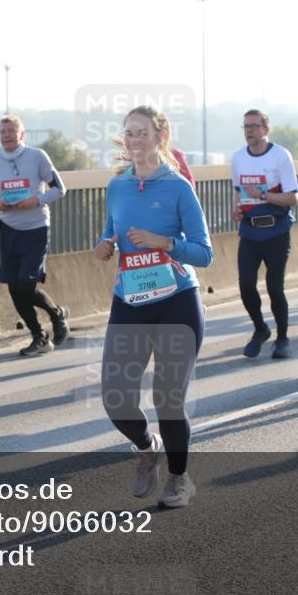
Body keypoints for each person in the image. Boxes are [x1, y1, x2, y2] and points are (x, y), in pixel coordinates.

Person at [95, 105, 213, 508]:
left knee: (168, 398)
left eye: (141, 132)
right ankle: (147, 447)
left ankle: (179, 479)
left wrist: (164, 243)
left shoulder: (178, 187)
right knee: (115, 396)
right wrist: (105, 245)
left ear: (160, 137)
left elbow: (204, 253)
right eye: (128, 133)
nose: (133, 140)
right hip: (131, 298)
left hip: (177, 300)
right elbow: (110, 230)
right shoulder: (116, 186)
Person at [0, 115, 70, 357]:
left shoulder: (37, 156)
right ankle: (39, 336)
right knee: (13, 289)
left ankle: (56, 314)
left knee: (26, 286)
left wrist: (36, 200)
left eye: (11, 131)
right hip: (9, 229)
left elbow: (60, 189)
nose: (6, 135)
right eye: (2, 131)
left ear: (22, 134)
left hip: (36, 228)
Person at [230, 109, 298, 359]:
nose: (249, 131)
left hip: (276, 229)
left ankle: (282, 338)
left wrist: (262, 195)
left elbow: (293, 197)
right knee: (246, 285)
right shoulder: (238, 158)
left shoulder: (281, 156)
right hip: (249, 230)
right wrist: (236, 209)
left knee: (274, 287)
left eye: (254, 126)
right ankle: (260, 329)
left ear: (266, 130)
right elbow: (239, 191)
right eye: (245, 126)